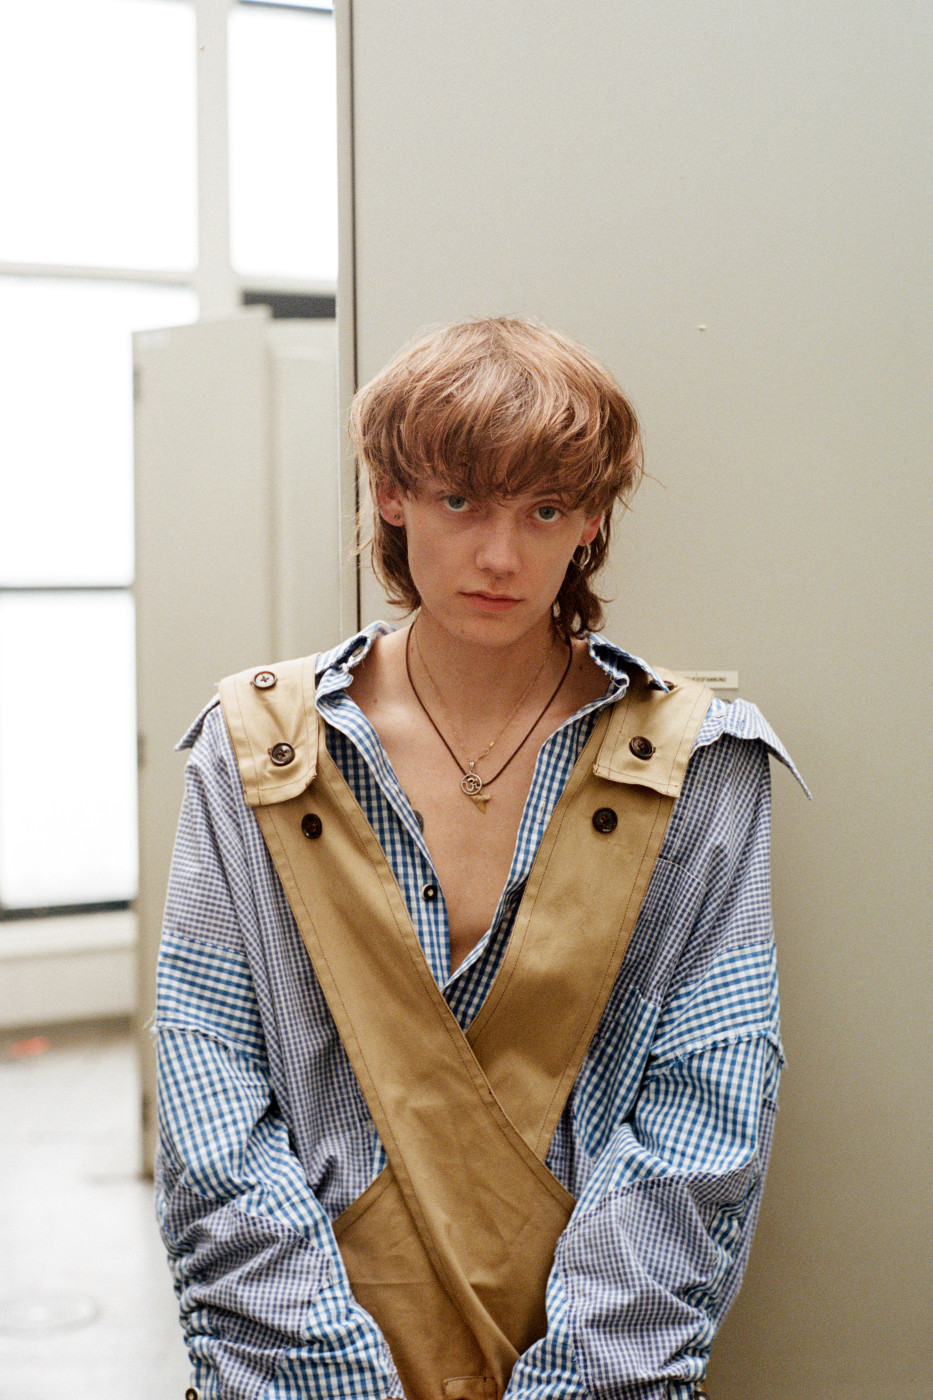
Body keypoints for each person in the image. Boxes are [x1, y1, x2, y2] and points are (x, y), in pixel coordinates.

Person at [154, 317, 804, 1400]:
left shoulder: (697, 761)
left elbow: (708, 1103)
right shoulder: (255, 746)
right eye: (460, 500)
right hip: (298, 1355)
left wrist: (583, 1377)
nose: (500, 556)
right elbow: (208, 1083)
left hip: (597, 1360)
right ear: (391, 494)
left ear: (590, 519)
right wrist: (323, 1372)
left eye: (543, 509)